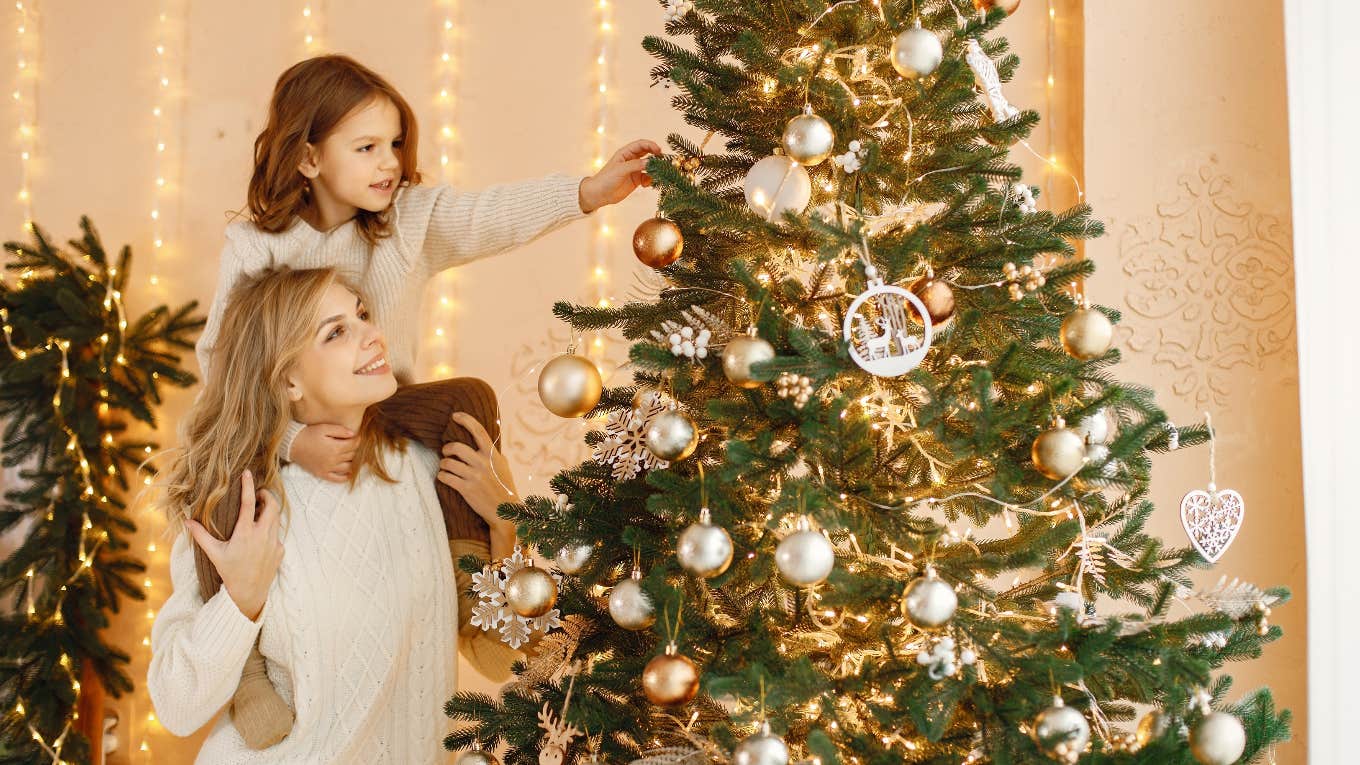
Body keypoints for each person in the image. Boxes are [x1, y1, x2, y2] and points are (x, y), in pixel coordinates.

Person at [195, 53, 657, 745]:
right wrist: (287, 441)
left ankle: (470, 574)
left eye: (395, 144)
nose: (390, 162)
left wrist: (588, 192)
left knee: (466, 397)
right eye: (367, 148)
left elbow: (489, 215)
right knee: (209, 473)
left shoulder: (406, 221)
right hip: (273, 412)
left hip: (385, 403)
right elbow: (222, 363)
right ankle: (249, 671)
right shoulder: (259, 246)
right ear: (309, 157)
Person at [150, 267, 509, 762]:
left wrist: (509, 528)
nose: (372, 335)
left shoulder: (432, 467)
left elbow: (501, 658)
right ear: (289, 380)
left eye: (362, 315)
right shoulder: (243, 504)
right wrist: (240, 601)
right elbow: (176, 707)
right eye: (336, 332)